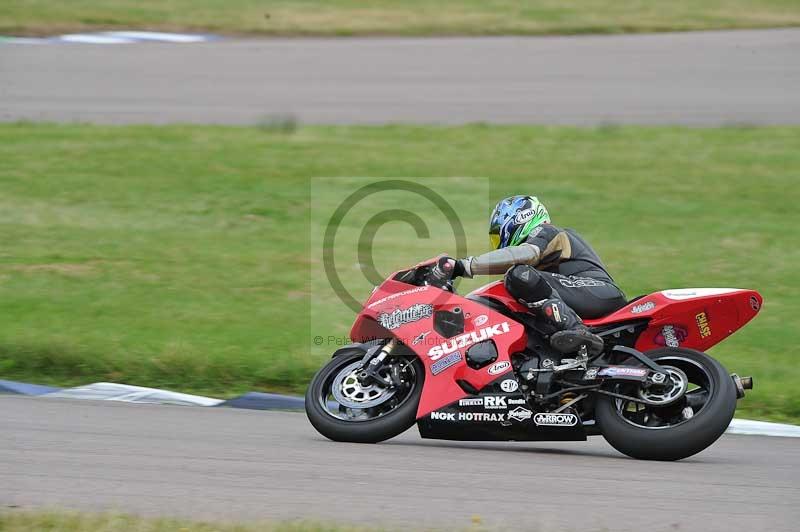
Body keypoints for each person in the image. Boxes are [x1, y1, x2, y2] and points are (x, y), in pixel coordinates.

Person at [447, 195, 627, 355]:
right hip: (582, 295)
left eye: (498, 235)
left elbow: (526, 254)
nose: (499, 243)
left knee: (518, 275)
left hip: (597, 290)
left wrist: (463, 266)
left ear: (517, 222)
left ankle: (577, 330)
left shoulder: (547, 232)